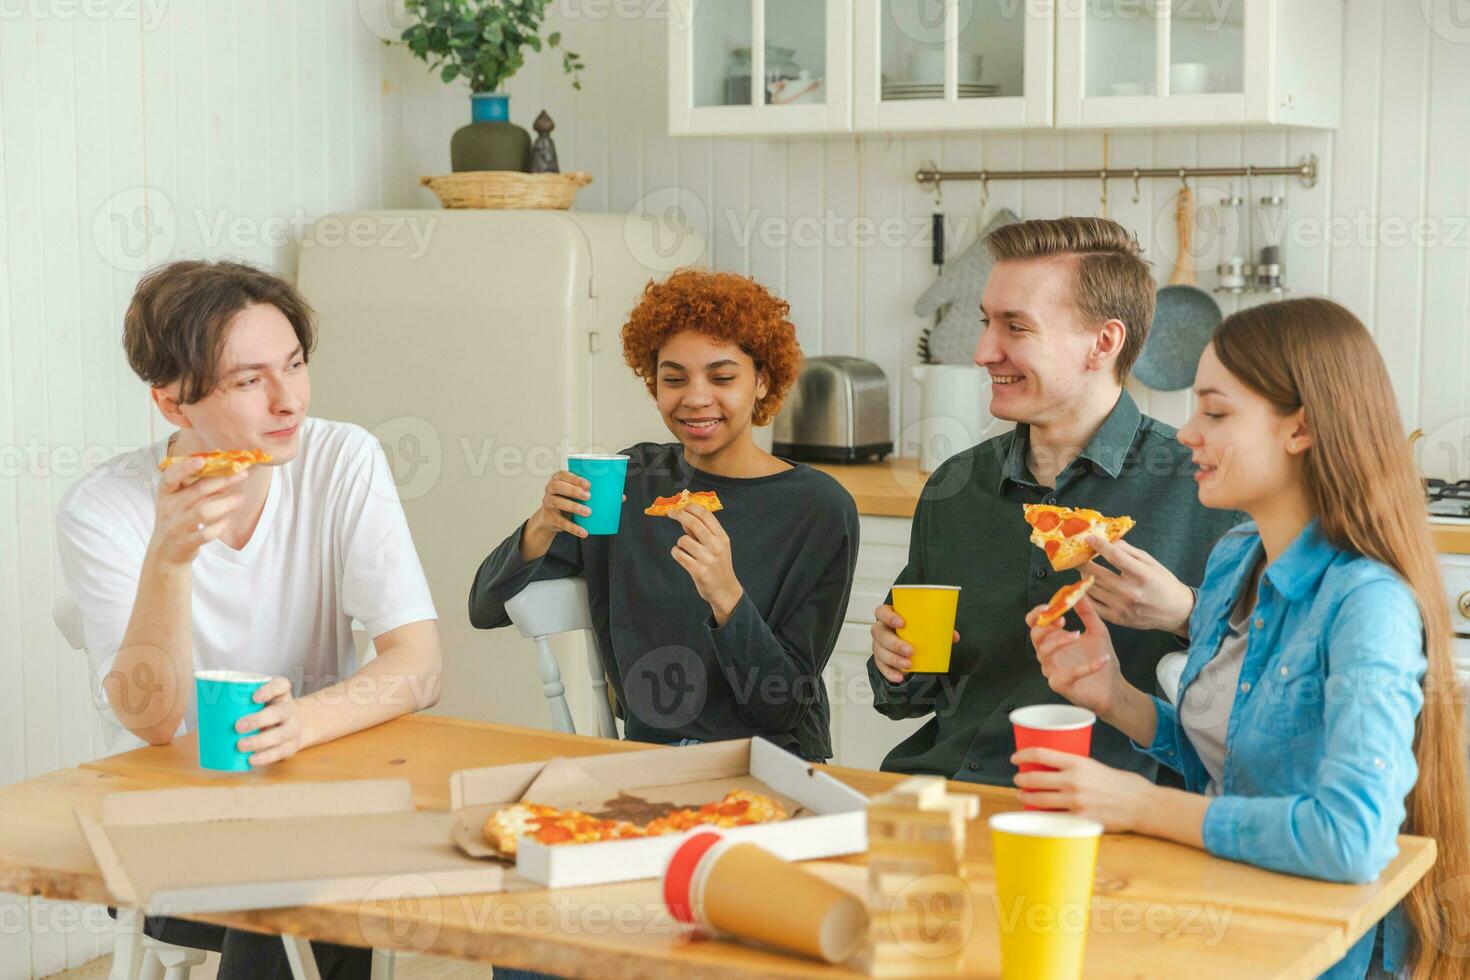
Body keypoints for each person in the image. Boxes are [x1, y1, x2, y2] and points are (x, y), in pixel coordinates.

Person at [1018, 298, 1470, 979]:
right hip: (1225, 910)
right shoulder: (1236, 557)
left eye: (1216, 412)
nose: (1187, 433)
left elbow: (1349, 839)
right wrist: (1116, 699)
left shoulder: (1366, 602)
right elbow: (1235, 770)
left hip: (1319, 950)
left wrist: (1142, 805)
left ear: (1301, 429)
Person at [56, 259, 443, 980]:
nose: (287, 400)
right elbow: (148, 721)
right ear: (172, 404)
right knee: (310, 879)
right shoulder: (104, 509)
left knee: (323, 863)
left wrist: (299, 725)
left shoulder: (341, 459)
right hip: (161, 831)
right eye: (247, 380)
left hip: (325, 801)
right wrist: (167, 562)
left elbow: (418, 666)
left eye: (294, 366)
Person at [868, 216, 1244, 785]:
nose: (982, 352)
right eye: (986, 322)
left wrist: (1187, 614)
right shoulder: (956, 487)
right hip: (946, 790)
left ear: (1103, 343)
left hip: (1116, 815)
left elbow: (1271, 694)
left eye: (1015, 328)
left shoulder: (1209, 489)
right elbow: (908, 696)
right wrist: (894, 661)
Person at [470, 268, 858, 761]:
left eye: (722, 377)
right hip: (648, 758)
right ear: (654, 385)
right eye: (674, 378)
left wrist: (725, 594)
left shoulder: (818, 508)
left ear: (762, 381)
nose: (695, 398)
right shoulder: (632, 480)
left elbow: (780, 709)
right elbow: (483, 609)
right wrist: (543, 524)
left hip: (769, 761)